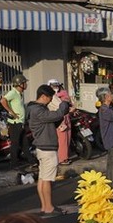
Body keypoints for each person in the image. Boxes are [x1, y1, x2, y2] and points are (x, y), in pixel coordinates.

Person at [28, 84, 70, 215]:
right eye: (50, 97)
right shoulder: (38, 110)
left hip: (42, 147)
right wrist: (64, 104)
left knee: (42, 178)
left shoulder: (33, 108)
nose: (51, 100)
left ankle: (44, 206)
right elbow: (57, 115)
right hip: (47, 148)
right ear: (43, 96)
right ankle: (49, 207)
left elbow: (53, 120)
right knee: (47, 179)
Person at [0, 75, 29, 168]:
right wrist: (11, 112)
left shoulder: (18, 93)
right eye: (25, 83)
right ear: (20, 84)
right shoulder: (13, 92)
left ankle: (31, 161)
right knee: (15, 144)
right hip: (15, 123)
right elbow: (3, 100)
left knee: (24, 143)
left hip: (20, 122)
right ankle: (14, 163)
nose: (26, 84)